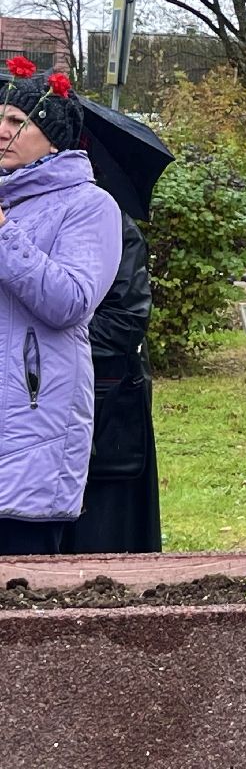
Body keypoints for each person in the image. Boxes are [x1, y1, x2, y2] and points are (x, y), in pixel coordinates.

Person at [0, 64, 121, 556]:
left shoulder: (89, 207)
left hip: (33, 420)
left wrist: (4, 233)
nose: (2, 131)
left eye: (17, 121)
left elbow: (69, 300)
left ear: (52, 138)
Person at [61, 210, 162, 554]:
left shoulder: (108, 221)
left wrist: (41, 337)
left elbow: (125, 322)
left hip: (103, 410)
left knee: (100, 550)